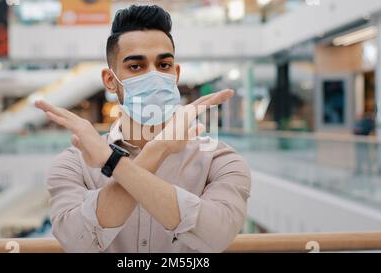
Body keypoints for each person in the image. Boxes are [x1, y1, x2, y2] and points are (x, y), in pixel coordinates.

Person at [35, 5, 251, 253]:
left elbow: (217, 236)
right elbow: (78, 241)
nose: (154, 76)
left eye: (164, 65)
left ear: (176, 74)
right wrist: (159, 149)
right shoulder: (74, 163)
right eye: (136, 67)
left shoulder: (218, 159)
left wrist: (112, 162)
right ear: (110, 80)